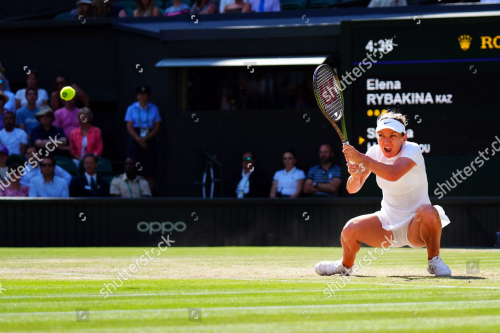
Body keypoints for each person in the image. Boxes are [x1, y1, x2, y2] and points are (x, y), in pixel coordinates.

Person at [315, 110, 452, 277]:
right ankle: (345, 265)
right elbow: (352, 188)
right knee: (350, 229)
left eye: (393, 135)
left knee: (429, 211)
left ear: (404, 138)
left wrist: (361, 158)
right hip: (387, 225)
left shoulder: (413, 149)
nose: (386, 141)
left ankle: (434, 261)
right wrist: (356, 173)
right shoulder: (374, 153)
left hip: (415, 228)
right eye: (381, 135)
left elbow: (393, 173)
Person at [125, 85, 161, 194]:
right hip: (136, 136)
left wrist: (145, 139)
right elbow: (129, 126)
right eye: (140, 94)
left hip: (149, 137)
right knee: (133, 166)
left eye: (144, 94)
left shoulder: (154, 108)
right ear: (137, 96)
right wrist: (138, 139)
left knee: (149, 169)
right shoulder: (132, 108)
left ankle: (148, 195)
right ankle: (133, 194)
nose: (142, 97)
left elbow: (157, 127)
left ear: (148, 96)